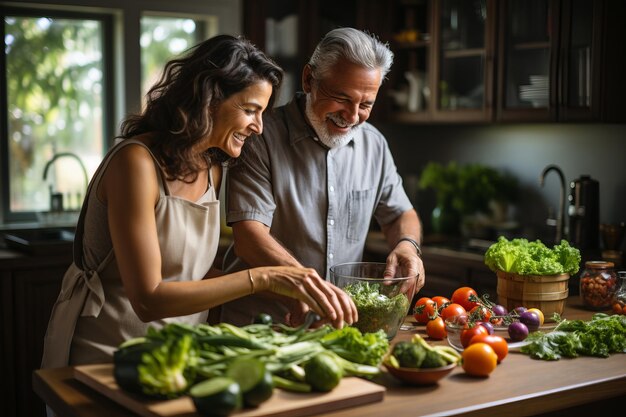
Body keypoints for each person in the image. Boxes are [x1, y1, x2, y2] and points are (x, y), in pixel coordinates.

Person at [41, 34, 357, 369]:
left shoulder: (212, 168)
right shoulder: (135, 164)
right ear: (209, 100)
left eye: (262, 113)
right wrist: (264, 277)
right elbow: (148, 299)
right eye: (250, 110)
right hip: (106, 358)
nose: (259, 127)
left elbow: (193, 273)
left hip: (175, 356)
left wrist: (291, 293)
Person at [221, 27, 425, 327]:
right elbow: (249, 238)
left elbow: (399, 214)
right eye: (342, 98)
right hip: (262, 324)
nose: (353, 116)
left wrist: (408, 245)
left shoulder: (374, 144)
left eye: (366, 104)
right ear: (309, 79)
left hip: (337, 329)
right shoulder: (260, 137)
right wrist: (304, 284)